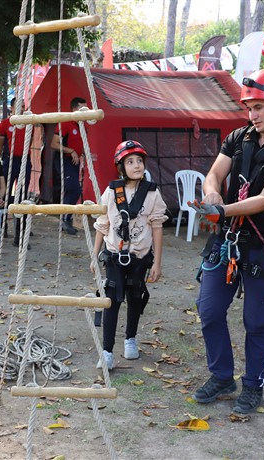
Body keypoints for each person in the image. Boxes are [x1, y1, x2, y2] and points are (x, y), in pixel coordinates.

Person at [188, 69, 264, 414]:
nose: (252, 115)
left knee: (256, 322)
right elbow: (215, 174)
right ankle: (222, 376)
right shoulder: (239, 137)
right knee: (209, 310)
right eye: (249, 108)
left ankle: (253, 383)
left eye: (259, 107)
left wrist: (221, 211)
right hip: (227, 242)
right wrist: (212, 194)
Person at [90, 140, 167, 370]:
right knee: (111, 301)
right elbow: (102, 225)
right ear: (121, 166)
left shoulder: (152, 193)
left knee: (135, 296)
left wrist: (158, 263)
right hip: (114, 255)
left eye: (139, 161)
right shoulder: (112, 191)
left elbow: (157, 227)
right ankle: (106, 351)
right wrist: (94, 257)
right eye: (130, 162)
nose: (136, 166)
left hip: (139, 257)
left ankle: (130, 338)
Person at [0, 98, 33, 246]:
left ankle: (20, 233)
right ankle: (3, 225)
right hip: (9, 161)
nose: (22, 108)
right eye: (19, 106)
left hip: (24, 160)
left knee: (23, 195)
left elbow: (29, 142)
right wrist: (5, 158)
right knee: (5, 192)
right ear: (11, 108)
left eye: (24, 106)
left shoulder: (29, 123)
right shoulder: (5, 124)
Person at [51, 97, 88, 235]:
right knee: (74, 189)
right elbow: (53, 144)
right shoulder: (66, 123)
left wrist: (85, 154)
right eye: (82, 108)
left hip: (75, 162)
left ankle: (65, 220)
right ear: (74, 109)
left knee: (72, 189)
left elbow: (80, 145)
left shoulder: (81, 126)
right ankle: (65, 220)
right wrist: (71, 151)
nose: (85, 111)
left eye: (86, 109)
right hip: (63, 160)